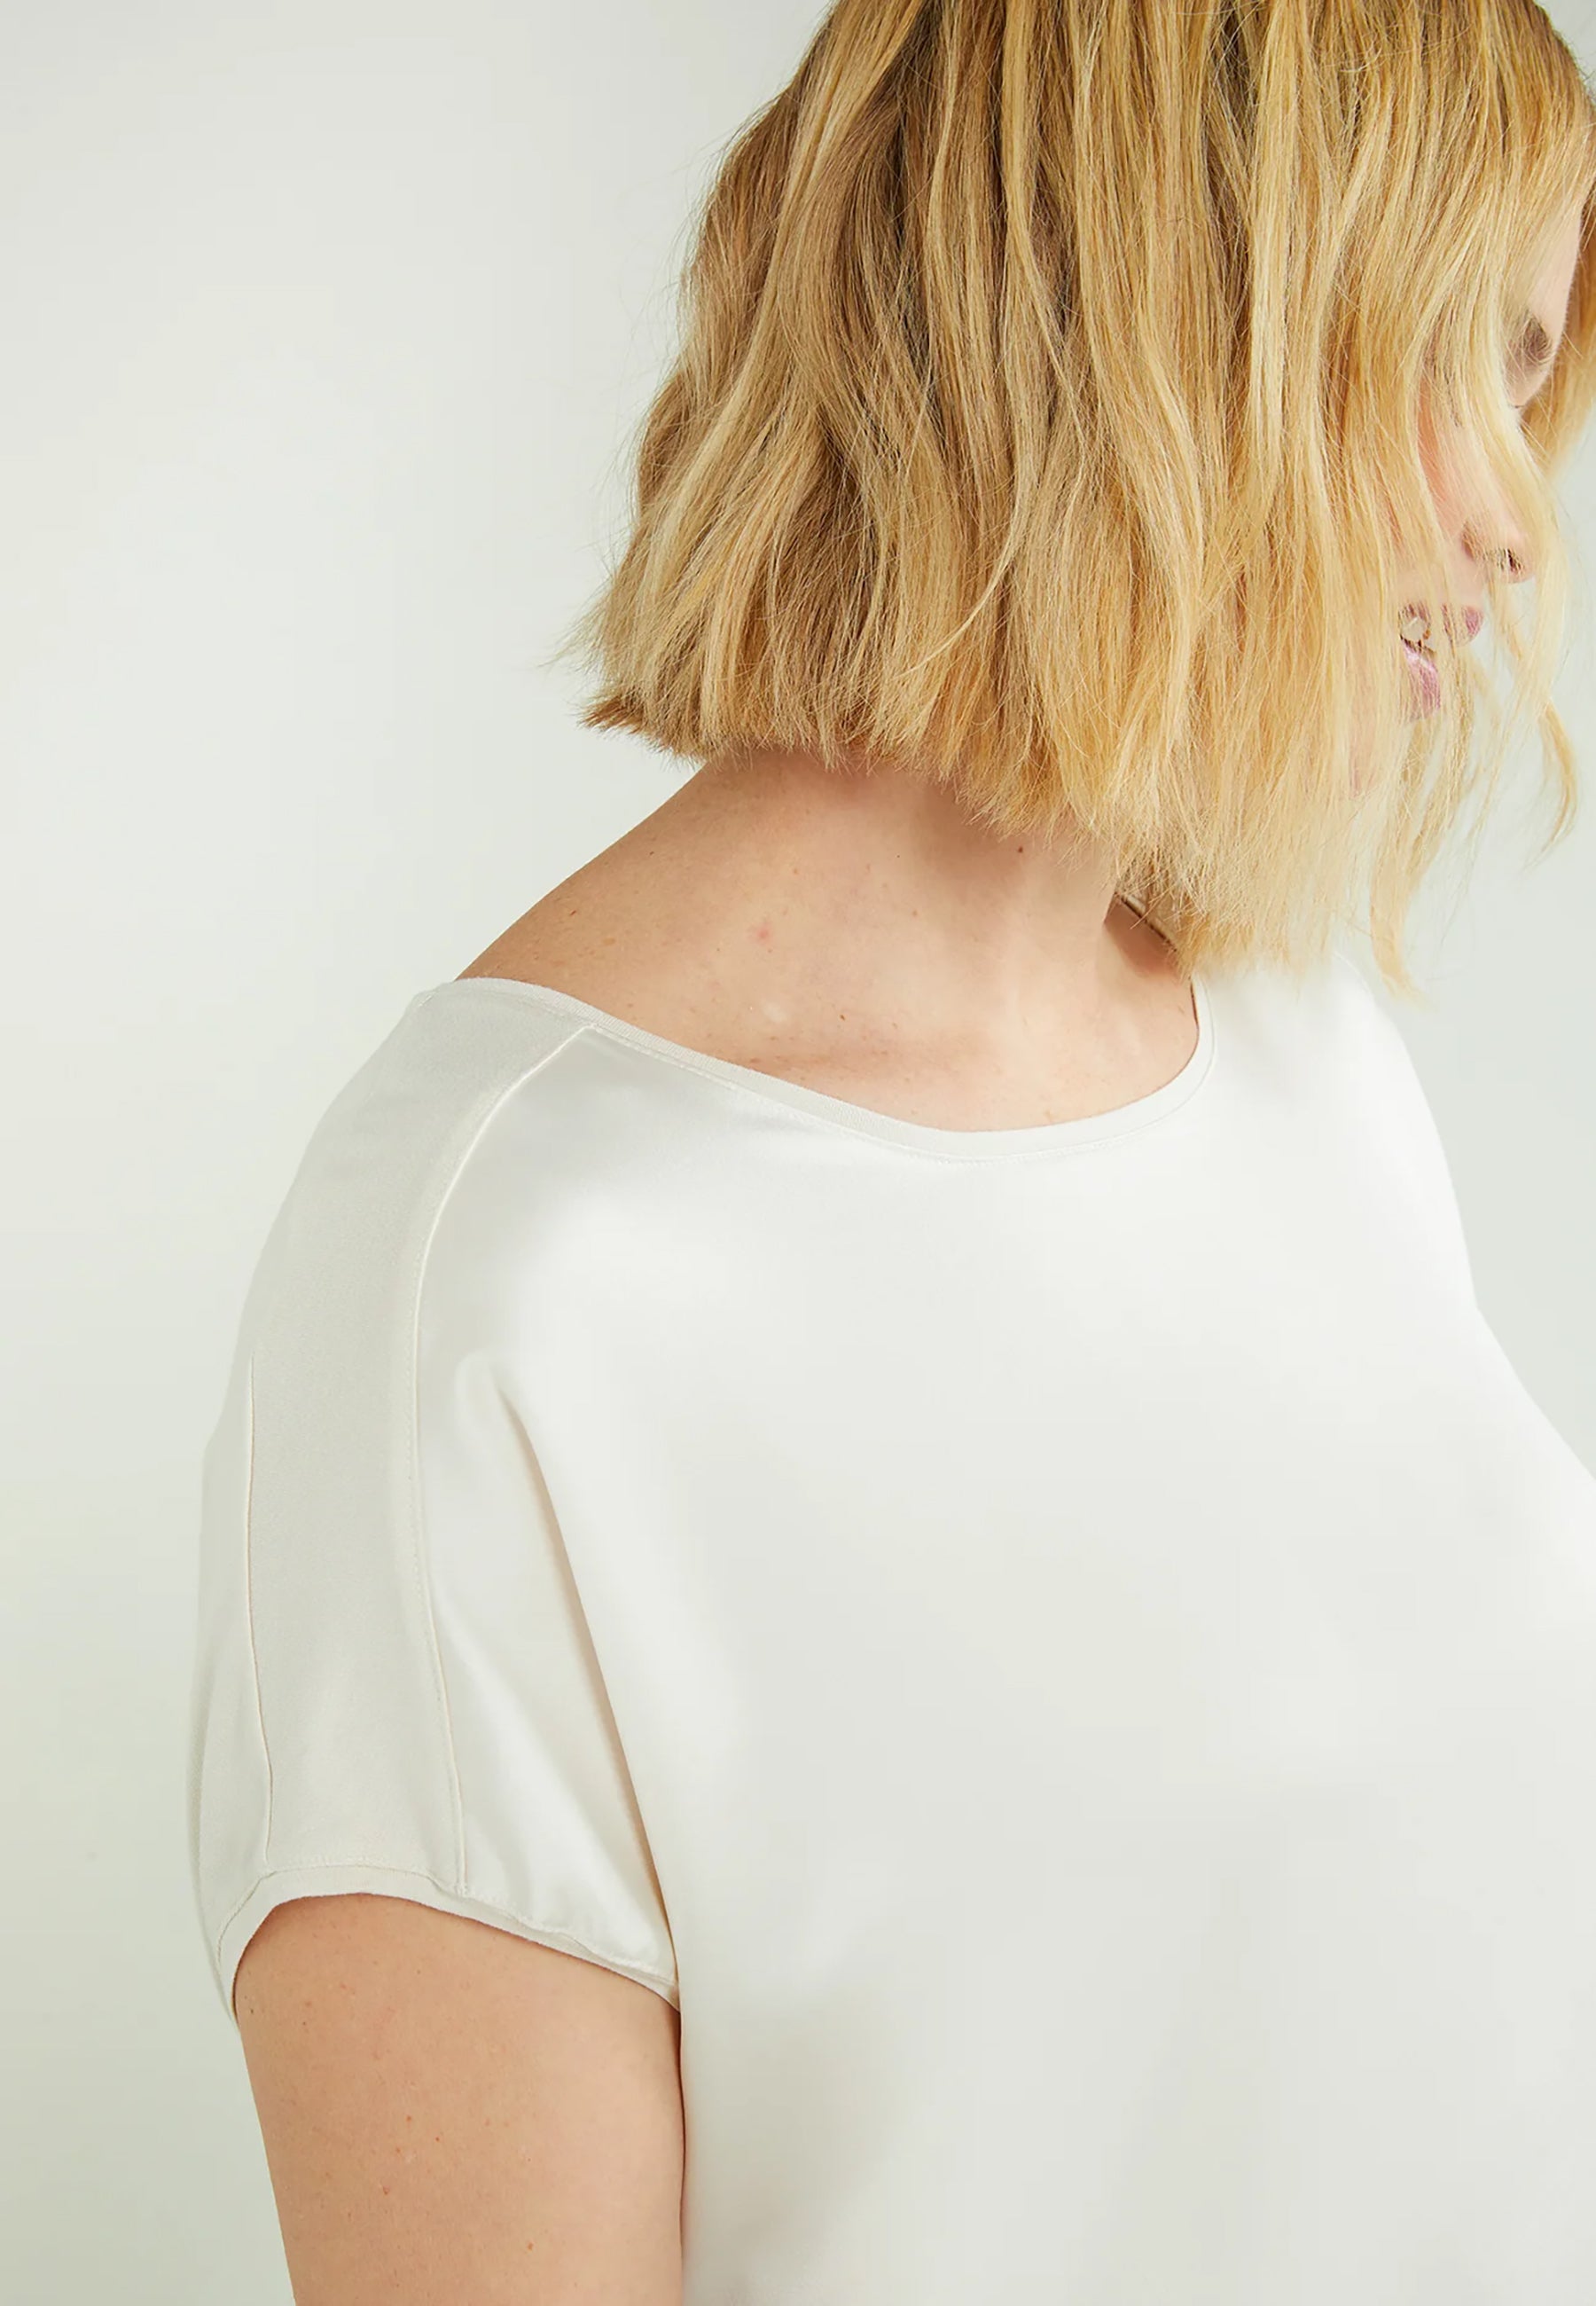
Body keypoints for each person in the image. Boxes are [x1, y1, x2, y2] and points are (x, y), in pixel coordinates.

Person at [187, 4, 1596, 2299]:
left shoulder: (1301, 1051)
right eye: (1449, 359)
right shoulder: (495, 1279)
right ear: (1143, 312)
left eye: (1527, 384)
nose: (1510, 519)